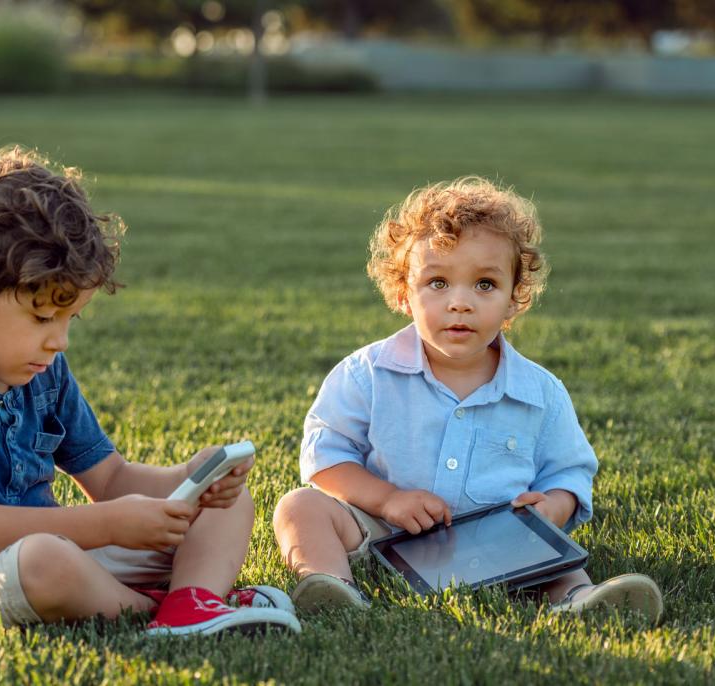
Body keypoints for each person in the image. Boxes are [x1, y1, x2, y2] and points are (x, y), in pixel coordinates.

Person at [0, 146, 299, 636]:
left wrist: (189, 477)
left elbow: (111, 479)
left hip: (60, 546)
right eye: (42, 317)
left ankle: (191, 603)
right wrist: (105, 526)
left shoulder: (39, 368)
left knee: (224, 505)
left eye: (69, 319)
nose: (58, 340)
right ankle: (161, 609)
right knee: (46, 562)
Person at [272, 177, 663, 624]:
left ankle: (579, 601)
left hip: (498, 547)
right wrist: (387, 500)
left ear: (514, 299)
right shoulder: (367, 375)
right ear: (403, 293)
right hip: (384, 534)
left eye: (484, 285)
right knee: (299, 506)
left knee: (560, 563)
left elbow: (570, 472)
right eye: (438, 283)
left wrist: (553, 506)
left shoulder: (540, 392)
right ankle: (331, 585)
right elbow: (326, 457)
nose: (460, 303)